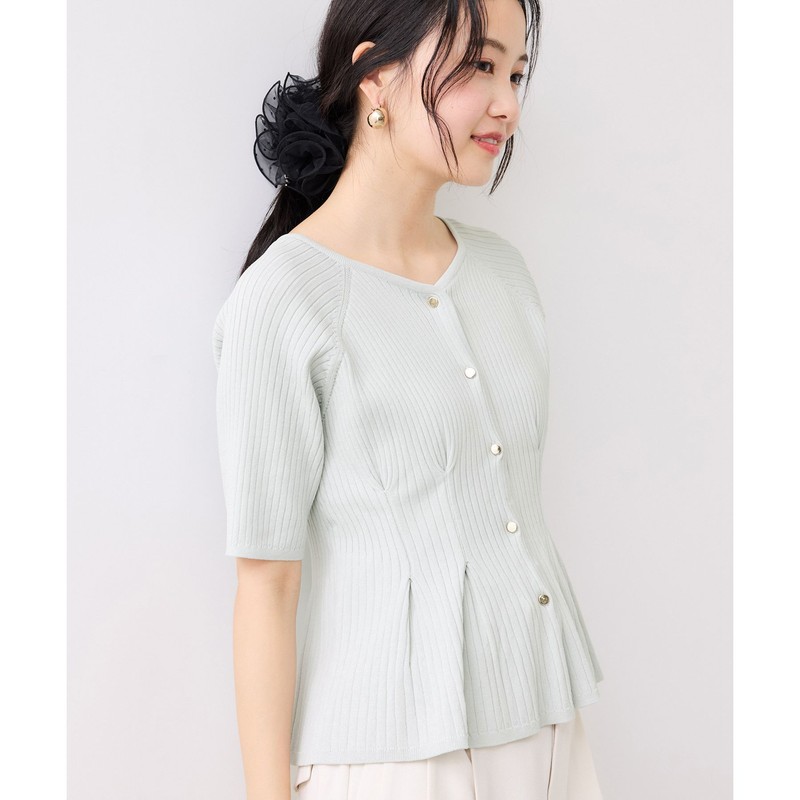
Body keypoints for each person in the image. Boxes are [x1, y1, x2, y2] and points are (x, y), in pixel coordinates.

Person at [211, 0, 606, 798]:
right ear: (376, 74)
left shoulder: (503, 274)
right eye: (480, 65)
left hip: (550, 730)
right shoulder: (284, 300)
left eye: (517, 73)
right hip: (393, 760)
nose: (508, 104)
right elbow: (267, 585)